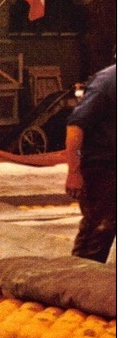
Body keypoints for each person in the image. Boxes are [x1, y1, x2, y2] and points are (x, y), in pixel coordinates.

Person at [64, 63, 115, 263]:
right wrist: (74, 171)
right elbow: (75, 127)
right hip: (103, 170)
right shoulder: (109, 82)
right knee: (98, 232)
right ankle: (77, 288)